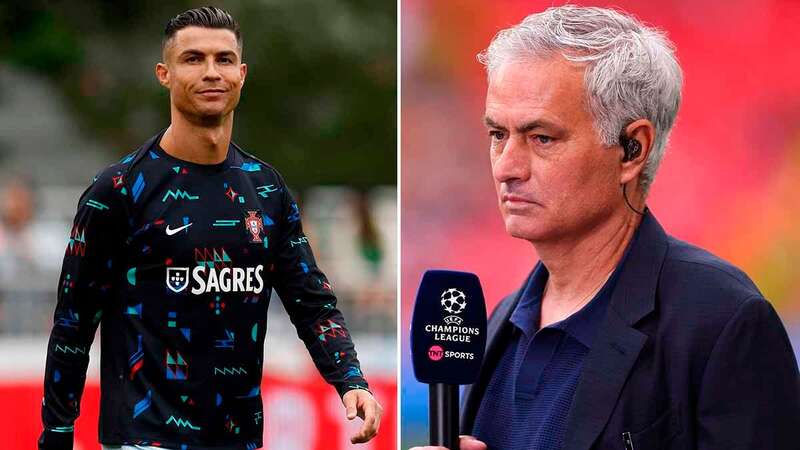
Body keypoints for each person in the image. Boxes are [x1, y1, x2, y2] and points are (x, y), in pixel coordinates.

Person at [412, 5, 799, 450]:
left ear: (632, 150)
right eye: (498, 134)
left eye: (542, 138)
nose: (506, 168)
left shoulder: (721, 321)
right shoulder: (499, 321)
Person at [38, 6, 382, 450]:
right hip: (144, 440)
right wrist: (57, 435)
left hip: (239, 439)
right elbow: (73, 324)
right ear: (164, 73)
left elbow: (312, 305)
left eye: (222, 59)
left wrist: (351, 379)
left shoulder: (267, 190)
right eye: (193, 58)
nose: (210, 72)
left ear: (241, 73)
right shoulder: (118, 191)